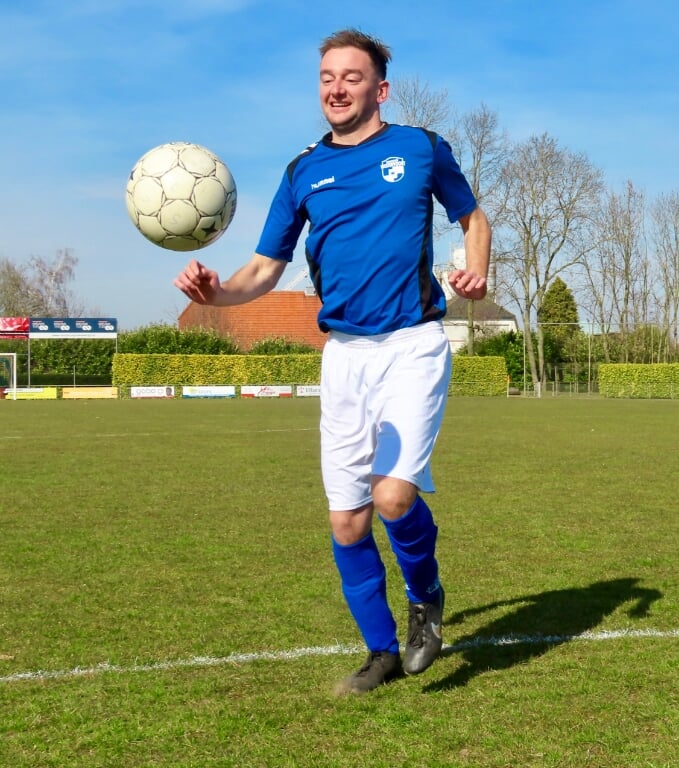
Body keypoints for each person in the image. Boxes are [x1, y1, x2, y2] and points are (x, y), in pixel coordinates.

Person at [173, 28, 491, 695]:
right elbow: (263, 268)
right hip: (343, 356)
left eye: (350, 76)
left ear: (380, 88)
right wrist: (216, 294)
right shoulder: (303, 171)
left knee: (393, 496)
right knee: (347, 519)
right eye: (325, 77)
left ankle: (426, 596)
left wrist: (477, 272)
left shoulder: (420, 149)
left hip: (412, 344)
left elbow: (473, 219)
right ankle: (379, 653)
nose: (335, 88)